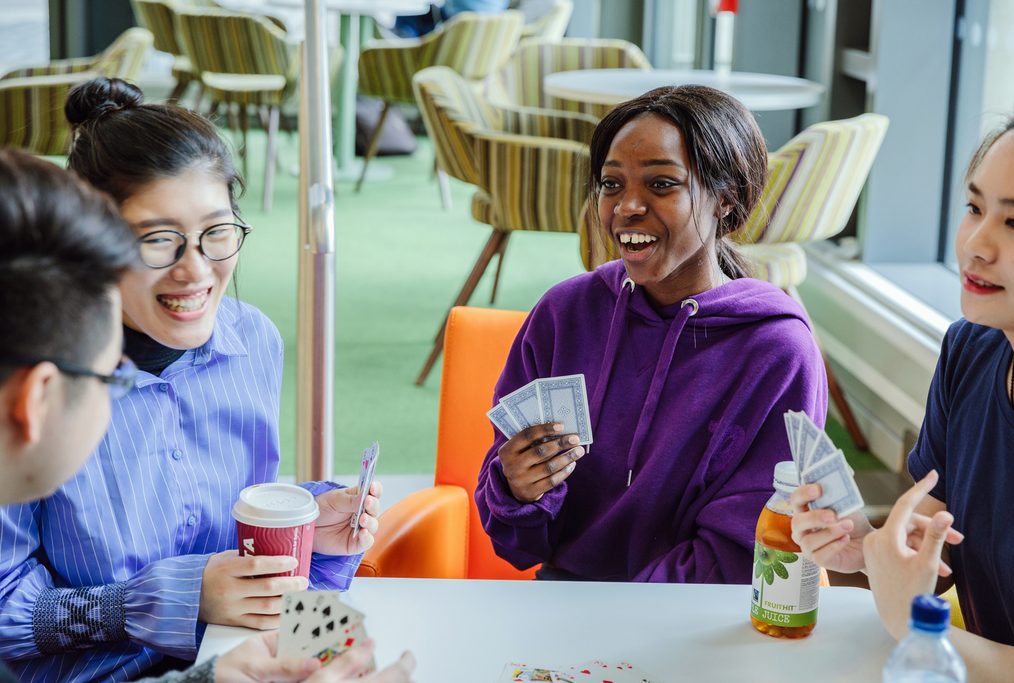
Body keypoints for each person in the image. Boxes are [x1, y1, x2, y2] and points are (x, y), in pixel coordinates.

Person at [0, 78, 381, 682]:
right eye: (158, 240)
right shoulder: (37, 382)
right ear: (93, 244)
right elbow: (3, 612)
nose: (196, 270)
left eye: (218, 232)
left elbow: (229, 533)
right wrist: (174, 597)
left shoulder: (253, 340)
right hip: (102, 672)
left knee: (373, 662)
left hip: (239, 645)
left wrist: (308, 524)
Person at [475, 85, 828, 583]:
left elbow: (744, 550)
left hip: (694, 623)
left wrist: (617, 627)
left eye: (661, 184)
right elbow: (517, 543)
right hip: (562, 608)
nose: (627, 207)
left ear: (724, 200)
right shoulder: (563, 314)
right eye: (611, 184)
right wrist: (517, 491)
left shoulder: (777, 351)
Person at [790, 110, 1014, 680]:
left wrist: (917, 628)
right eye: (974, 208)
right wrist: (866, 550)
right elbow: (932, 536)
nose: (975, 243)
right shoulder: (971, 350)